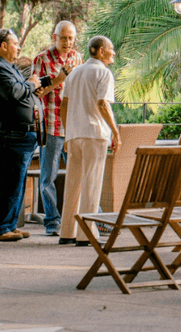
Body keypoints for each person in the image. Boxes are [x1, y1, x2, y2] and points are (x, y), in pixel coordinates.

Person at [0, 28, 39, 242]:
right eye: (16, 44)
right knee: (4, 181)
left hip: (18, 135)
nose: (19, 48)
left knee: (16, 181)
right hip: (3, 133)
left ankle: (9, 224)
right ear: (3, 45)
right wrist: (31, 84)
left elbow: (21, 89)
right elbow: (14, 93)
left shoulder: (7, 66)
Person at [58, 35, 120, 245]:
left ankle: (67, 232)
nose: (114, 53)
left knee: (72, 184)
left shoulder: (74, 72)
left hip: (74, 134)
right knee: (92, 184)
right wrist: (115, 132)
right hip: (94, 134)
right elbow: (103, 103)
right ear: (101, 51)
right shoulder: (103, 72)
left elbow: (64, 105)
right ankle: (86, 234)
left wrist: (67, 133)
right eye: (111, 49)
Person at [31, 20, 82, 237]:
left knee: (79, 174)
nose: (68, 42)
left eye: (71, 38)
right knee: (48, 178)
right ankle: (52, 221)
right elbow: (36, 92)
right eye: (63, 38)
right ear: (55, 37)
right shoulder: (41, 59)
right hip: (51, 126)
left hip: (73, 127)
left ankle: (83, 219)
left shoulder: (77, 58)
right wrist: (59, 79)